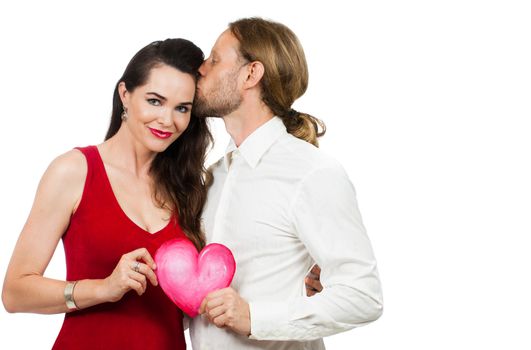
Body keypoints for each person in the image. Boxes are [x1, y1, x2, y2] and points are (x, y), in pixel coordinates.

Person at [1, 38, 212, 349]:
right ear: (125, 94)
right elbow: (15, 293)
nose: (168, 120)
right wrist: (103, 288)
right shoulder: (74, 171)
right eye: (155, 101)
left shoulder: (190, 187)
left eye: (182, 108)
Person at [191, 17, 384, 349]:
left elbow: (363, 295)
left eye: (214, 59)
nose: (201, 69)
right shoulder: (214, 175)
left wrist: (255, 318)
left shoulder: (311, 173)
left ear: (251, 74)